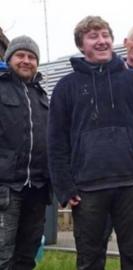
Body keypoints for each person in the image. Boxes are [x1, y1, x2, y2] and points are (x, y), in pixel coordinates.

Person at [48, 16, 133, 269]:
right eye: (93, 37)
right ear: (81, 45)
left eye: (105, 35)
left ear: (112, 40)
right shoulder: (65, 87)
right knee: (90, 260)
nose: (101, 41)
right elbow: (56, 143)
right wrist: (64, 188)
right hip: (87, 188)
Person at [0, 35, 50, 270]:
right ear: (9, 58)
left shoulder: (42, 95)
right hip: (6, 188)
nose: (26, 61)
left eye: (31, 57)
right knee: (3, 255)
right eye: (20, 55)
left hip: (37, 189)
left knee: (27, 256)